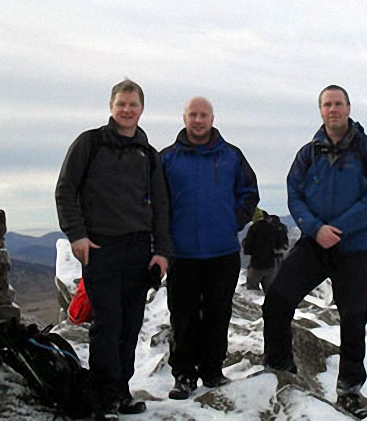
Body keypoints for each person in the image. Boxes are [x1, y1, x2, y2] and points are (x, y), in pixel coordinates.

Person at [262, 85, 367, 419]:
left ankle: (349, 389)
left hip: (355, 247)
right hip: (314, 243)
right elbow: (294, 194)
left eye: (338, 103)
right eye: (327, 104)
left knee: (352, 317)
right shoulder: (308, 153)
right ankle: (279, 367)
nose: (333, 109)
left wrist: (340, 229)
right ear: (320, 110)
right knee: (277, 298)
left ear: (348, 107)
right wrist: (315, 228)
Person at [55, 79, 171, 421]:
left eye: (133, 105)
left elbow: (162, 207)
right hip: (100, 246)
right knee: (108, 323)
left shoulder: (148, 155)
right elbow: (66, 189)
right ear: (111, 106)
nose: (127, 110)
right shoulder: (90, 144)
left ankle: (121, 391)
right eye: (121, 104)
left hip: (138, 248)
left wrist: (162, 251)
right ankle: (104, 395)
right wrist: (76, 234)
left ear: (141, 109)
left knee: (130, 324)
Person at [160, 97, 259, 400]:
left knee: (218, 313)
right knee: (183, 316)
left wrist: (233, 221)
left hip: (222, 251)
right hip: (182, 253)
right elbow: (156, 202)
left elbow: (249, 192)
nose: (198, 120)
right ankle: (184, 374)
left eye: (203, 115)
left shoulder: (231, 156)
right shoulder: (167, 158)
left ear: (213, 118)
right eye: (193, 115)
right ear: (184, 118)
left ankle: (212, 370)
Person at [242, 208, 289, 293]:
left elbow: (247, 249)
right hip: (272, 264)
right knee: (270, 291)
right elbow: (282, 245)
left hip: (257, 264)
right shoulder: (276, 228)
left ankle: (255, 306)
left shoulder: (254, 228)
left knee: (252, 290)